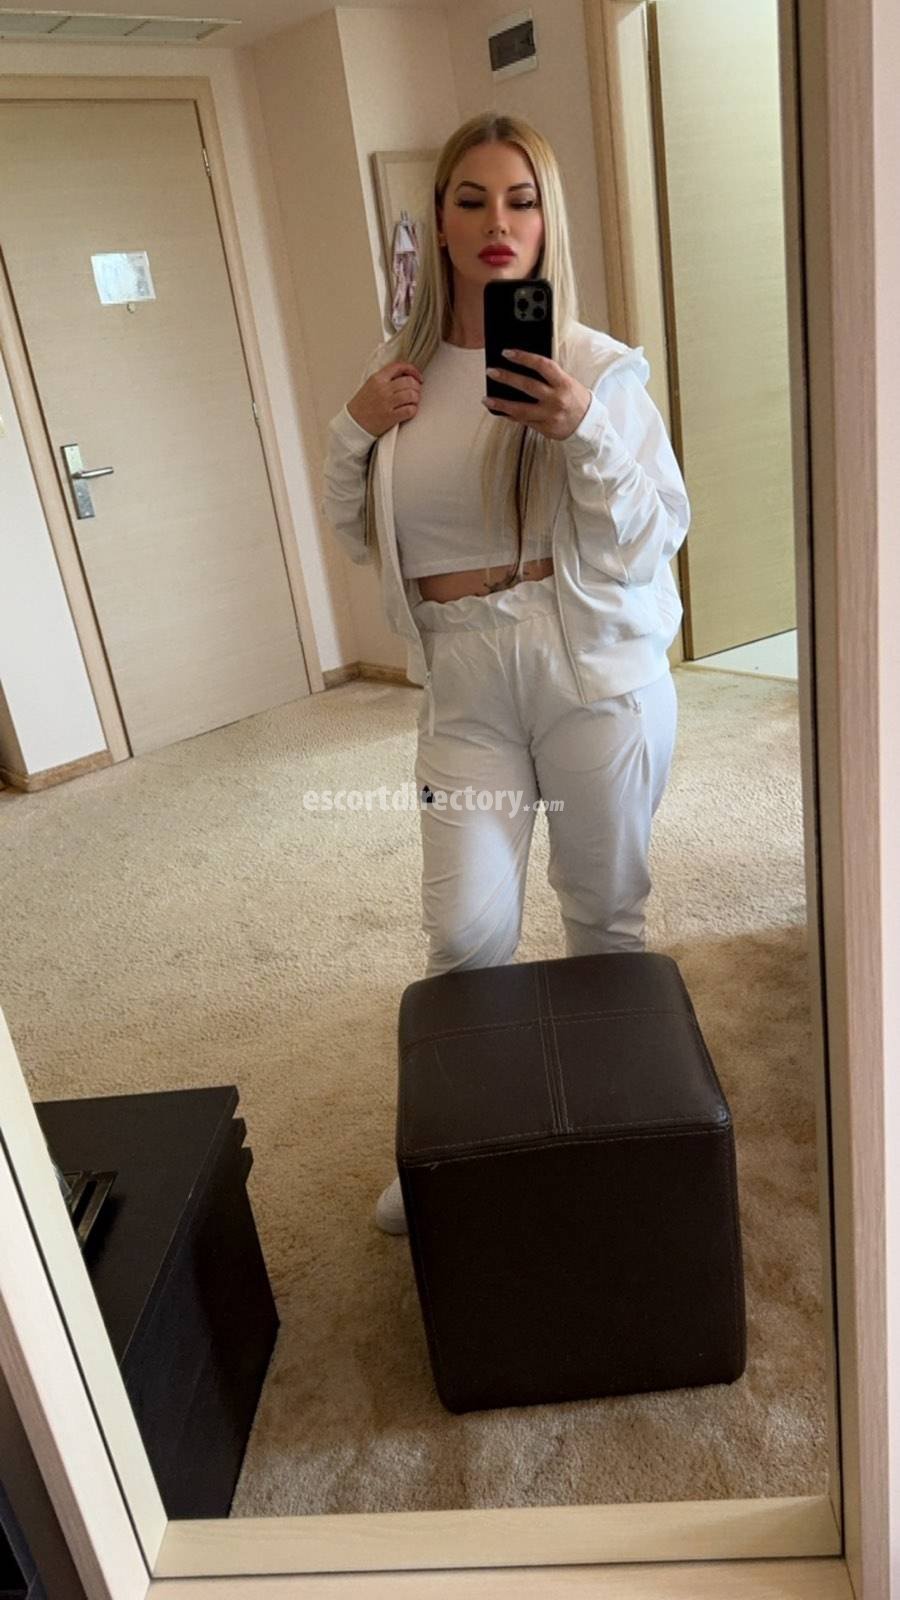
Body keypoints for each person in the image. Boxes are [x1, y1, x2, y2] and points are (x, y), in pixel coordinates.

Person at [321, 112, 690, 1236]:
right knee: (465, 933)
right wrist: (352, 432)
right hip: (465, 679)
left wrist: (582, 429)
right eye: (471, 199)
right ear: (437, 220)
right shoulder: (400, 377)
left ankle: (617, 1140)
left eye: (521, 200)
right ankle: (464, 1150)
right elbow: (358, 534)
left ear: (546, 219)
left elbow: (651, 539)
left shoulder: (596, 367)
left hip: (590, 667)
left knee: (603, 920)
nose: (497, 222)